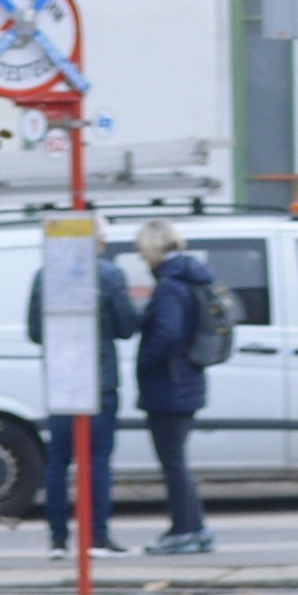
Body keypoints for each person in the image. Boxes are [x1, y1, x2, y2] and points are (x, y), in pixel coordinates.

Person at [129, 222, 230, 555]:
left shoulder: (170, 286)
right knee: (177, 460)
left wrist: (145, 361)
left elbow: (169, 333)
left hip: (169, 385)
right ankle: (194, 529)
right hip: (186, 381)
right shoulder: (190, 277)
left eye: (143, 251)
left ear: (154, 248)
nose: (143, 259)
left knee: (173, 463)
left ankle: (185, 531)